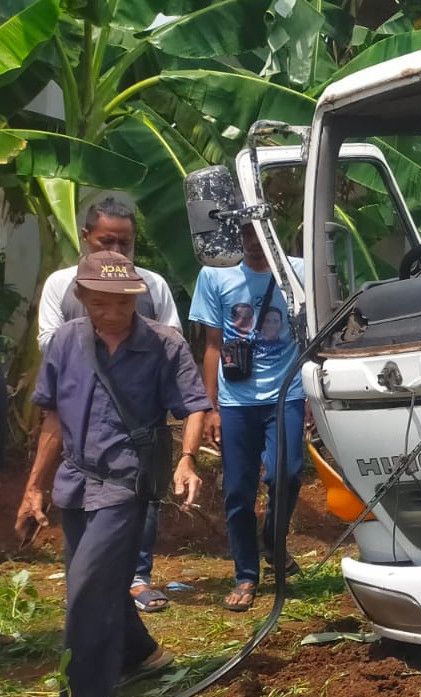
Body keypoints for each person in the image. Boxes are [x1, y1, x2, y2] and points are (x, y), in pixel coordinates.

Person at [14, 251, 210, 697]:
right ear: (81, 296)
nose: (113, 313)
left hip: (126, 482)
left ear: (137, 299)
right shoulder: (65, 342)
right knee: (97, 578)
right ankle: (142, 654)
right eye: (100, 303)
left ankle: (85, 686)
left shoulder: (165, 344)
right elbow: (53, 420)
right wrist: (34, 488)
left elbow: (194, 405)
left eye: (124, 303)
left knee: (86, 591)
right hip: (76, 480)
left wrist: (187, 459)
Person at [37, 197, 182, 614]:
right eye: (106, 241)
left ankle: (137, 577)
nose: (117, 252)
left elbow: (169, 340)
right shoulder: (60, 285)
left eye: (126, 243)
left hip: (139, 415)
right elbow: (50, 341)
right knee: (81, 500)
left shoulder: (152, 285)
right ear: (85, 237)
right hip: (81, 413)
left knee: (140, 495)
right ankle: (96, 587)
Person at [189, 223, 305, 612]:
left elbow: (311, 336)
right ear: (236, 236)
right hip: (236, 401)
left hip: (286, 394)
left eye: (261, 232)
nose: (254, 243)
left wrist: (312, 397)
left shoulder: (299, 273)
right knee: (238, 492)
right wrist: (211, 408)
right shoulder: (215, 276)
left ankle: (273, 541)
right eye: (246, 234)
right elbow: (212, 345)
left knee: (285, 474)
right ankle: (246, 574)